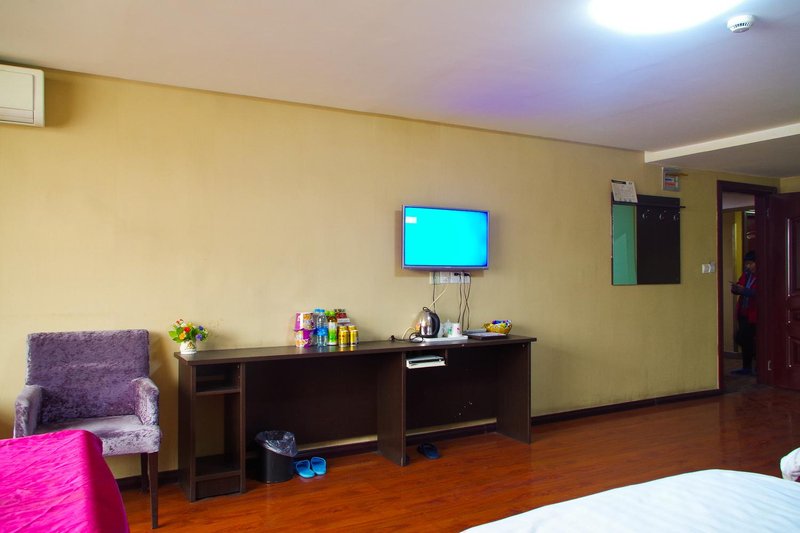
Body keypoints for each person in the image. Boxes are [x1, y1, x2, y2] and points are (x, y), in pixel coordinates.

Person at [731, 250, 757, 375]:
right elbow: (739, 287)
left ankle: (756, 367)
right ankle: (746, 367)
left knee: (744, 338)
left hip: (754, 314)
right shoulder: (746, 275)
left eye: (750, 263)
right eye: (747, 264)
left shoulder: (761, 276)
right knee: (743, 339)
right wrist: (735, 288)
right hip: (743, 312)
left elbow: (758, 293)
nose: (748, 266)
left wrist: (744, 290)